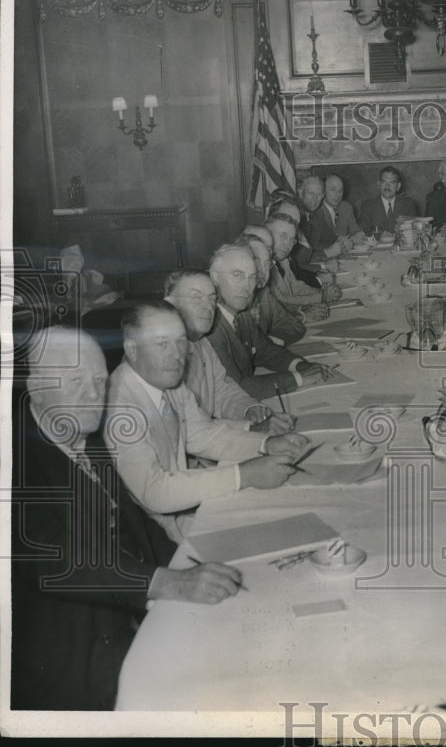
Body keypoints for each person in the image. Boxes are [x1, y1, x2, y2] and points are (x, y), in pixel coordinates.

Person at [11, 326, 250, 710]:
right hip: (65, 668)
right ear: (36, 387)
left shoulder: (84, 434)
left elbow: (129, 523)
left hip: (119, 624)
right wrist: (167, 581)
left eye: (99, 380)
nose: (93, 394)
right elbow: (55, 562)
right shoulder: (15, 460)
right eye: (74, 380)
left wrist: (189, 560)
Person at [105, 302, 309, 542]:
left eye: (180, 342)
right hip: (155, 539)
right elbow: (154, 491)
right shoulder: (119, 405)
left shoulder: (166, 381)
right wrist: (242, 475)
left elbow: (202, 434)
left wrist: (266, 443)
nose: (177, 355)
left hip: (185, 512)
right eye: (161, 344)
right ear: (132, 349)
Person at [163, 268, 295, 434]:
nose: (208, 307)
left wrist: (249, 408)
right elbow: (189, 430)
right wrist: (251, 428)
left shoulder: (201, 343)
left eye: (212, 299)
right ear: (170, 304)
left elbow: (222, 392)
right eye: (196, 297)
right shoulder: (159, 357)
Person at [205, 243, 337, 398]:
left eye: (252, 277)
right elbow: (238, 386)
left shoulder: (241, 313)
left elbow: (266, 351)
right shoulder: (210, 326)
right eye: (237, 275)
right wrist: (299, 378)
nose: (246, 286)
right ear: (215, 277)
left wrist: (301, 366)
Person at [236, 228, 312, 340]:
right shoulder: (231, 300)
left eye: (267, 263)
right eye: (256, 261)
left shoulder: (263, 292)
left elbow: (292, 324)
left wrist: (273, 343)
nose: (262, 270)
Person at [266, 213, 342, 310]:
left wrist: (323, 293)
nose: (287, 245)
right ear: (267, 234)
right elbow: (280, 301)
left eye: (292, 240)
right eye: (283, 236)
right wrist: (321, 297)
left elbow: (297, 287)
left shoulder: (283, 261)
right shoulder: (264, 266)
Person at [358, 165, 420, 236]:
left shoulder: (408, 204)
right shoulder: (368, 205)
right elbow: (364, 230)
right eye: (384, 182)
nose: (387, 186)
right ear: (379, 184)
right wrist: (379, 234)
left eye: (392, 183)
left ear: (398, 186)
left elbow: (415, 229)